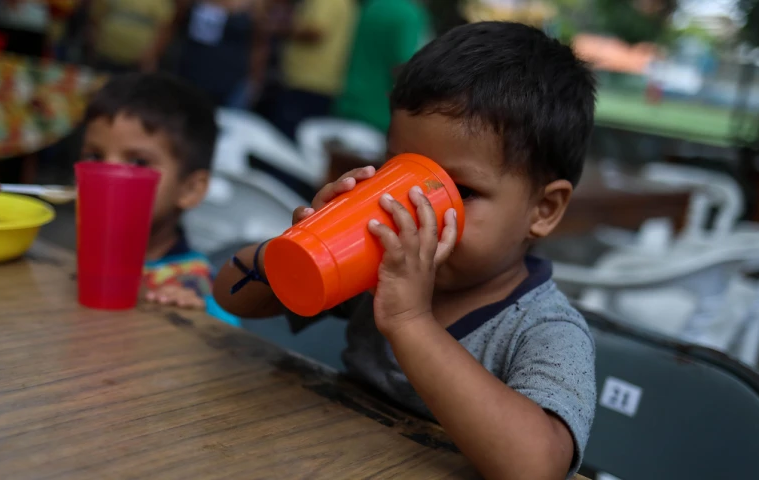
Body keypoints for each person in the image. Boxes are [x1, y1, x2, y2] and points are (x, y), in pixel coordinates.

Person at [213, 21, 597, 479]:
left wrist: (409, 321)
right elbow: (230, 293)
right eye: (400, 174)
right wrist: (298, 246)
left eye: (458, 191)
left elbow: (537, 466)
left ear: (544, 209)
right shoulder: (384, 262)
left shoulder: (545, 330)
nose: (415, 213)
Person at [0, 73, 238, 325]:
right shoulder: (83, 262)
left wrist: (194, 316)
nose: (107, 176)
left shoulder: (198, 285)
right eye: (94, 157)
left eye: (138, 162)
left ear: (190, 189)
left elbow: (230, 349)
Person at [333, 0, 432, 133]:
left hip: (349, 103)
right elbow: (404, 67)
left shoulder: (373, 5)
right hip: (380, 115)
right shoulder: (409, 14)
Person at [265, 0, 357, 138]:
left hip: (308, 82)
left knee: (286, 141)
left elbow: (316, 31)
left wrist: (278, 28)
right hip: (317, 82)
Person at [86, 0, 176, 73]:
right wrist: (93, 43)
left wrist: (151, 55)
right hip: (105, 54)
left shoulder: (160, 2)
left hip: (136, 61)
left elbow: (164, 29)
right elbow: (95, 18)